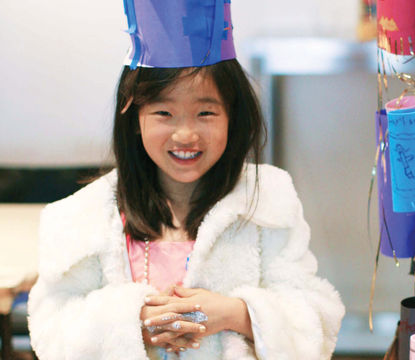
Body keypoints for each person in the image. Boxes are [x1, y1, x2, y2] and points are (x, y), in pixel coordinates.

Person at [27, 1, 345, 359]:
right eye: (164, 112)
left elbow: (317, 320)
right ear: (133, 114)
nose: (185, 134)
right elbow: (50, 329)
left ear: (232, 115)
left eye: (205, 112)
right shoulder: (83, 215)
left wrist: (237, 313)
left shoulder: (268, 201)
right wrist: (132, 322)